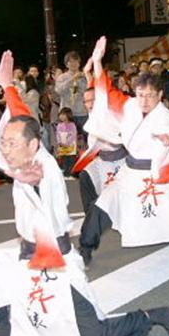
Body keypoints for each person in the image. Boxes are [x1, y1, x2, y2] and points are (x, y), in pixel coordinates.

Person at [0, 50, 169, 336]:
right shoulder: (18, 156)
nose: (5, 148)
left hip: (58, 264)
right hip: (29, 259)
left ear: (34, 147)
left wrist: (31, 178)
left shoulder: (45, 168)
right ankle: (6, 322)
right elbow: (10, 133)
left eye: (12, 143)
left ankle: (155, 315)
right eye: (5, 143)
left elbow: (28, 138)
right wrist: (8, 88)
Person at [79, 56, 169, 266]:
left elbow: (167, 129)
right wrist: (98, 63)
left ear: (159, 95)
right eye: (140, 95)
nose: (145, 100)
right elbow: (107, 90)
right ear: (135, 93)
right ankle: (85, 247)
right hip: (129, 172)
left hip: (153, 173)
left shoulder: (164, 116)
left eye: (150, 95)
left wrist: (166, 138)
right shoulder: (129, 105)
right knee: (102, 206)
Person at [72, 37, 129, 215]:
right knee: (85, 176)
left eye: (92, 101)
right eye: (86, 102)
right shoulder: (93, 110)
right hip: (102, 161)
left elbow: (101, 88)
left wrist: (97, 62)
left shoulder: (109, 108)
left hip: (123, 160)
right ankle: (91, 216)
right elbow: (93, 88)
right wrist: (87, 71)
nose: (88, 104)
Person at [55, 107, 78, 177]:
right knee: (64, 159)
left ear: (68, 115)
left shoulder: (72, 125)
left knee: (71, 159)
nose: (61, 116)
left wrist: (67, 143)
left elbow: (73, 135)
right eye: (60, 114)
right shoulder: (59, 125)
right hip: (62, 145)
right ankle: (66, 173)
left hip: (70, 145)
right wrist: (59, 142)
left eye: (63, 114)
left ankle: (71, 173)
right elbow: (57, 134)